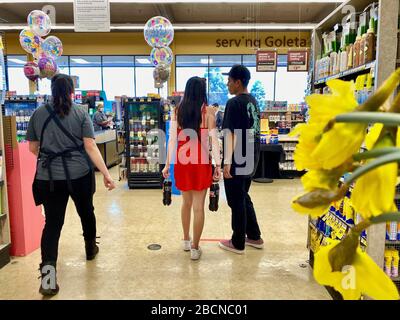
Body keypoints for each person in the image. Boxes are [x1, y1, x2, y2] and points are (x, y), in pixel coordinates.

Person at [26, 74, 116, 296]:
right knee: (87, 212)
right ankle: (90, 249)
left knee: (53, 225)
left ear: (52, 90)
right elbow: (90, 147)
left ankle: (48, 280)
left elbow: (32, 148)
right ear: (71, 91)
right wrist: (106, 174)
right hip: (80, 175)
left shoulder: (38, 114)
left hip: (48, 179)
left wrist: (51, 158)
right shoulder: (80, 113)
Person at [162, 76, 221, 261]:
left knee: (185, 204)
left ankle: (186, 240)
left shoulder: (177, 111)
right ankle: (195, 248)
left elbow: (172, 140)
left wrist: (166, 164)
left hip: (182, 163)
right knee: (198, 208)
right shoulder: (209, 112)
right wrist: (217, 164)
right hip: (201, 163)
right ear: (202, 92)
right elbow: (214, 140)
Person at [219, 64, 263, 254]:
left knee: (235, 201)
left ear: (238, 82)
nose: (227, 84)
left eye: (229, 81)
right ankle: (254, 236)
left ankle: (238, 242)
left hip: (238, 158)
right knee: (243, 197)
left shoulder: (234, 103)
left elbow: (230, 134)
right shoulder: (253, 101)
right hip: (252, 155)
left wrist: (227, 162)